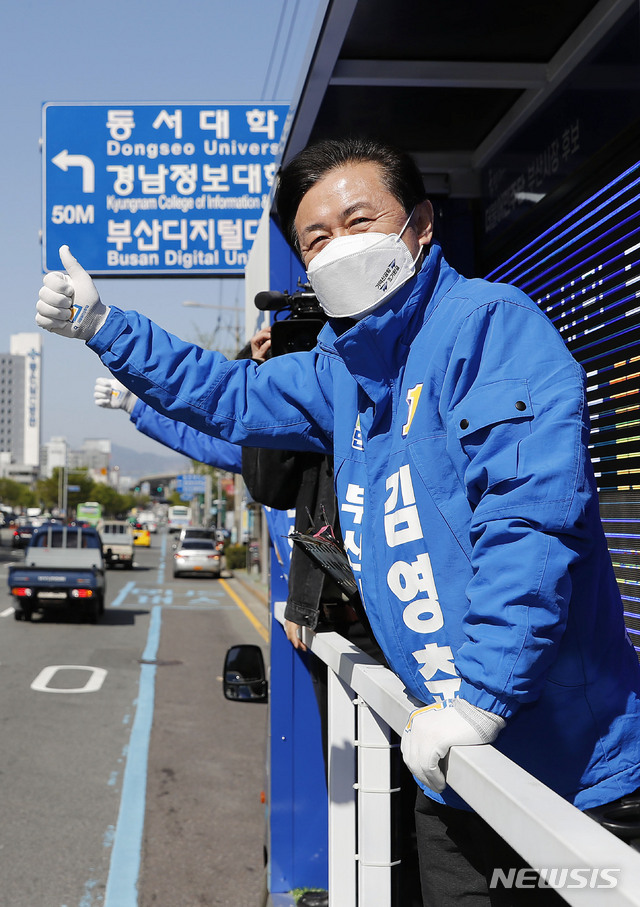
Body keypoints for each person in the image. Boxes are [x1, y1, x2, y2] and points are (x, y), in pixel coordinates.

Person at [36, 137, 640, 905]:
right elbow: (228, 396)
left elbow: (527, 522)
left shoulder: (488, 326)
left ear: (420, 225)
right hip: (452, 775)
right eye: (316, 239)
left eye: (359, 220)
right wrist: (103, 325)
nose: (339, 246)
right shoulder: (342, 373)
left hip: (574, 778)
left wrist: (480, 699)